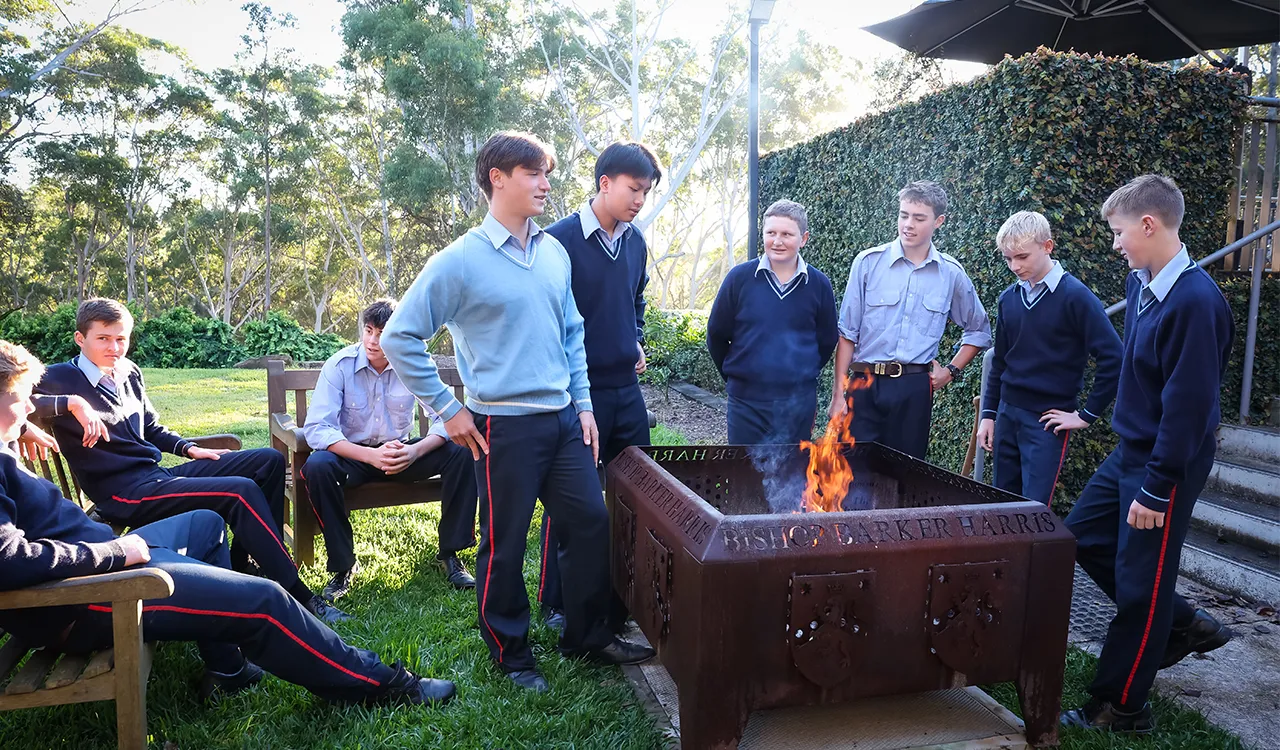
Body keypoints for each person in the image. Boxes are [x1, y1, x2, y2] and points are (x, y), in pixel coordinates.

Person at [0, 339, 455, 707]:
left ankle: (229, 666)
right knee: (263, 600)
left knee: (206, 522)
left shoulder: (11, 435)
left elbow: (124, 424)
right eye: (20, 403)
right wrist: (115, 552)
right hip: (88, 595)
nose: (29, 412)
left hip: (108, 559)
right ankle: (383, 685)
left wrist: (23, 426)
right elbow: (7, 559)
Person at [381, 131, 655, 693]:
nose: (545, 184)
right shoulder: (458, 262)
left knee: (590, 524)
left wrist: (582, 404)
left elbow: (572, 332)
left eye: (546, 173)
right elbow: (400, 336)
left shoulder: (553, 253)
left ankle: (587, 634)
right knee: (505, 542)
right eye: (532, 173)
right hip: (500, 426)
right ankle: (512, 654)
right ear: (496, 178)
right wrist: (447, 409)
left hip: (563, 421)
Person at [33, 298, 347, 624]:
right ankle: (300, 596)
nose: (114, 347)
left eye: (121, 338)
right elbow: (14, 398)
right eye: (103, 338)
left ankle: (244, 562)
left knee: (266, 461)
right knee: (238, 492)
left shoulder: (128, 372)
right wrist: (71, 403)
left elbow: (152, 428)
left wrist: (189, 449)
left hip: (155, 476)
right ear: (80, 339)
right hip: (122, 494)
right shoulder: (57, 378)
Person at [1060, 175, 1234, 733]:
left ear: (1149, 224)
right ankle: (1182, 624)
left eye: (1118, 232)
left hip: (1167, 462)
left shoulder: (1197, 302)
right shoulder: (1142, 283)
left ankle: (1121, 706)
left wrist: (1156, 487)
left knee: (1141, 587)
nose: (1114, 244)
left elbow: (1189, 410)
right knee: (1081, 538)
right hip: (1131, 449)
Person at [537, 141, 661, 630]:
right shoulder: (557, 242)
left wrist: (637, 337)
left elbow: (636, 300)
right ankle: (557, 602)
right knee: (573, 496)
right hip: (574, 394)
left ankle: (623, 593)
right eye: (634, 189)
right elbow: (545, 317)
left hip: (625, 392)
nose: (639, 200)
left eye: (646, 192)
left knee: (638, 490)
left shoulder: (635, 241)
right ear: (605, 182)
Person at [300, 298, 479, 602]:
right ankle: (343, 566)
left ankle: (450, 554)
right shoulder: (340, 366)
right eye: (368, 330)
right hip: (354, 457)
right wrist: (370, 455)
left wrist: (416, 451)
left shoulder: (414, 365)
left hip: (402, 456)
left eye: (381, 333)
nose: (372, 340)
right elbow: (317, 428)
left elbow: (447, 417)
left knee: (461, 451)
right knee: (318, 466)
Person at [828, 180, 991, 458]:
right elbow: (847, 334)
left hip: (914, 390)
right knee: (850, 476)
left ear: (938, 221)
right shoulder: (868, 263)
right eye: (903, 215)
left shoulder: (950, 273)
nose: (908, 224)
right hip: (863, 386)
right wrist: (838, 395)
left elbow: (979, 331)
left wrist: (950, 371)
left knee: (904, 476)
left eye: (919, 218)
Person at [976, 211, 1123, 505]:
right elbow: (1000, 362)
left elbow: (1114, 356)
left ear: (1048, 246)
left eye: (1021, 257)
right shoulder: (1008, 298)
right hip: (1007, 413)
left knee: (1033, 510)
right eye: (1008, 259)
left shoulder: (1076, 297)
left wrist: (1086, 415)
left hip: (1046, 422)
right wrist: (989, 415)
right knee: (1001, 504)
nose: (1014, 266)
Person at [707, 199, 838, 444]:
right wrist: (739, 376)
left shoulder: (819, 285)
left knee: (793, 477)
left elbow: (827, 340)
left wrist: (797, 375)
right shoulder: (739, 279)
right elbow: (716, 334)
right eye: (771, 233)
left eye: (787, 234)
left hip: (797, 405)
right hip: (745, 403)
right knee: (743, 474)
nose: (777, 241)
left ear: (804, 238)